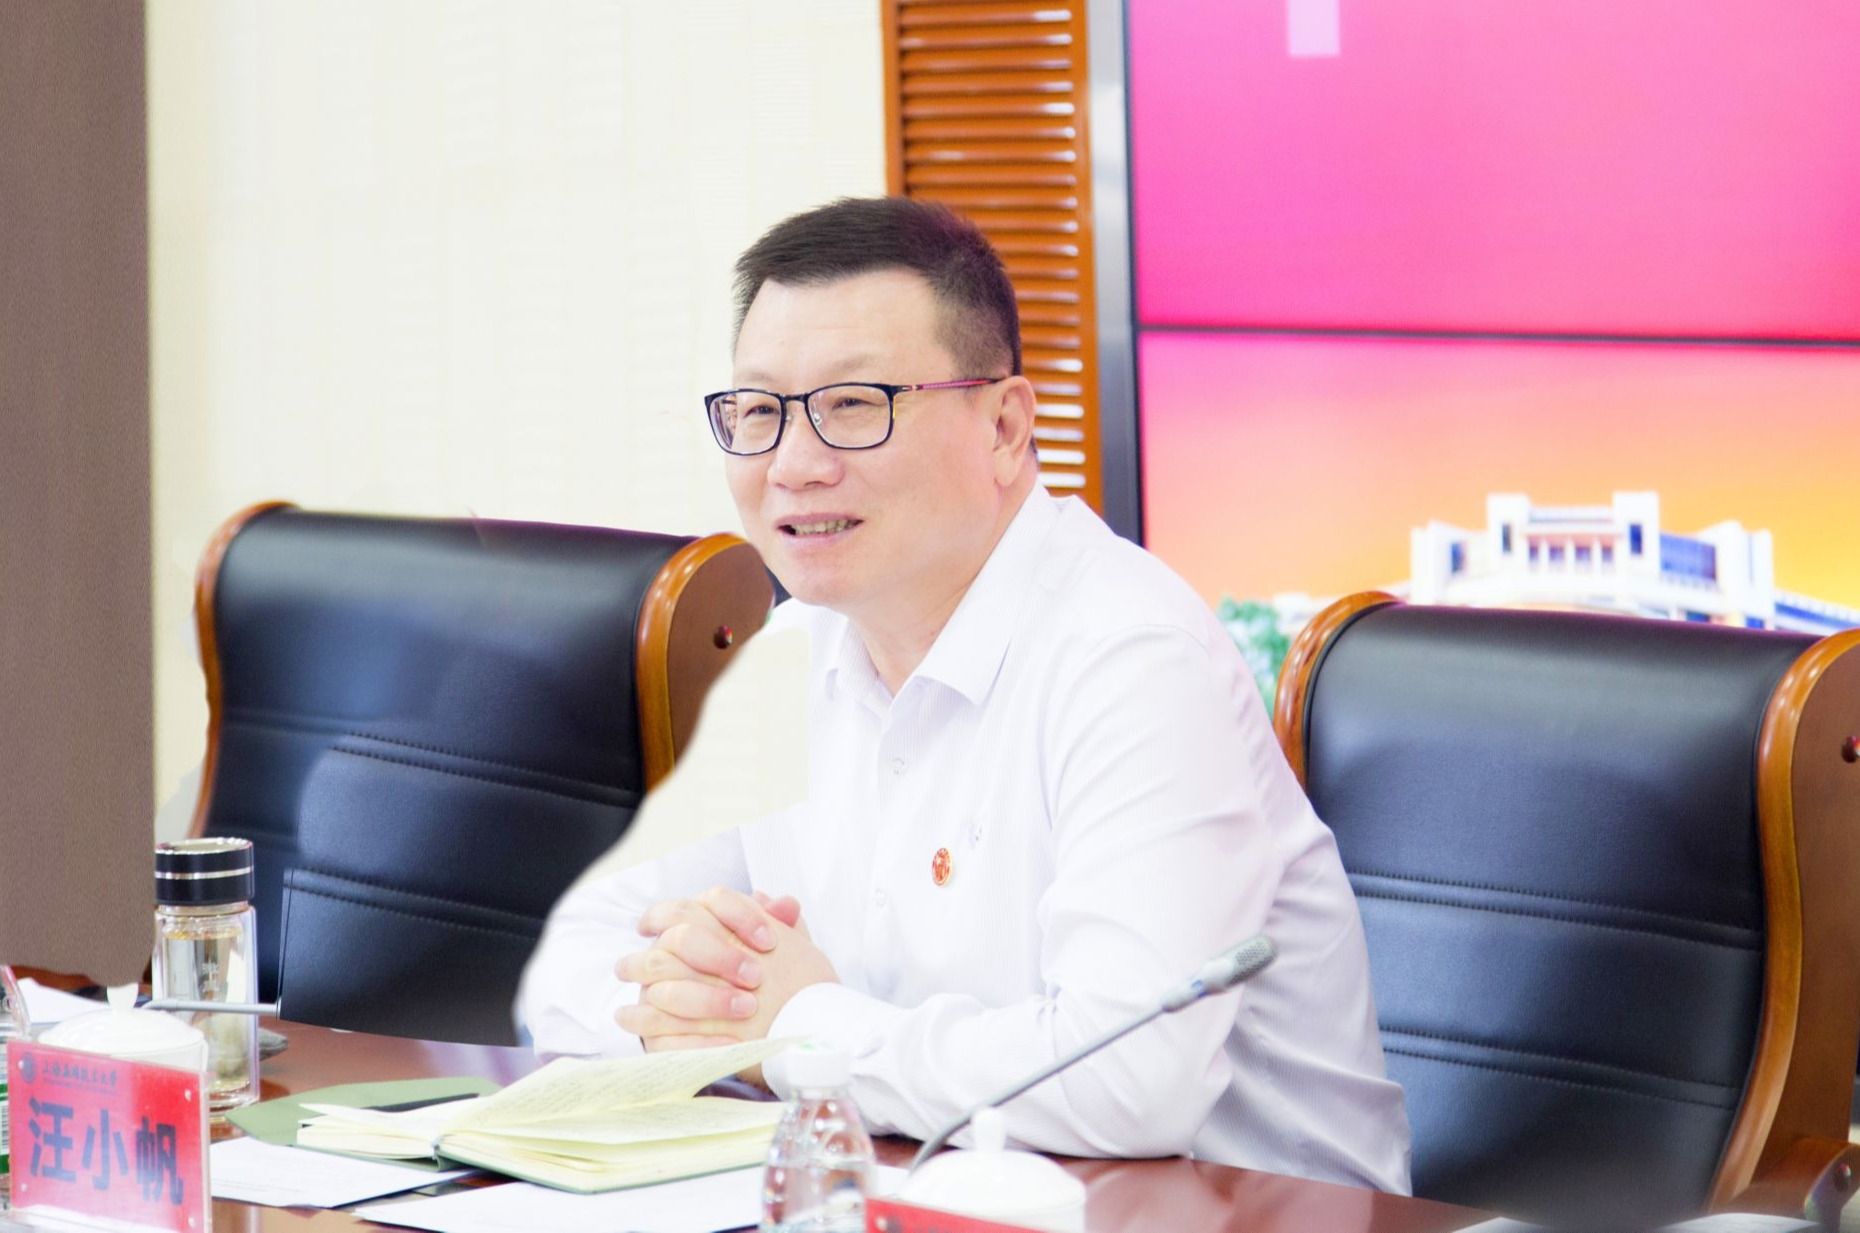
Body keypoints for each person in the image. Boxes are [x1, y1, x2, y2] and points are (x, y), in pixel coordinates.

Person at [516, 196, 1411, 1192]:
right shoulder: (795, 652)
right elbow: (574, 970)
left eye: (854, 405)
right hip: (925, 1198)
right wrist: (706, 1014)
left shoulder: (1131, 656)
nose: (794, 466)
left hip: (1235, 1210)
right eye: (760, 412)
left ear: (1006, 426)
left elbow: (1130, 1082)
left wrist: (800, 1028)